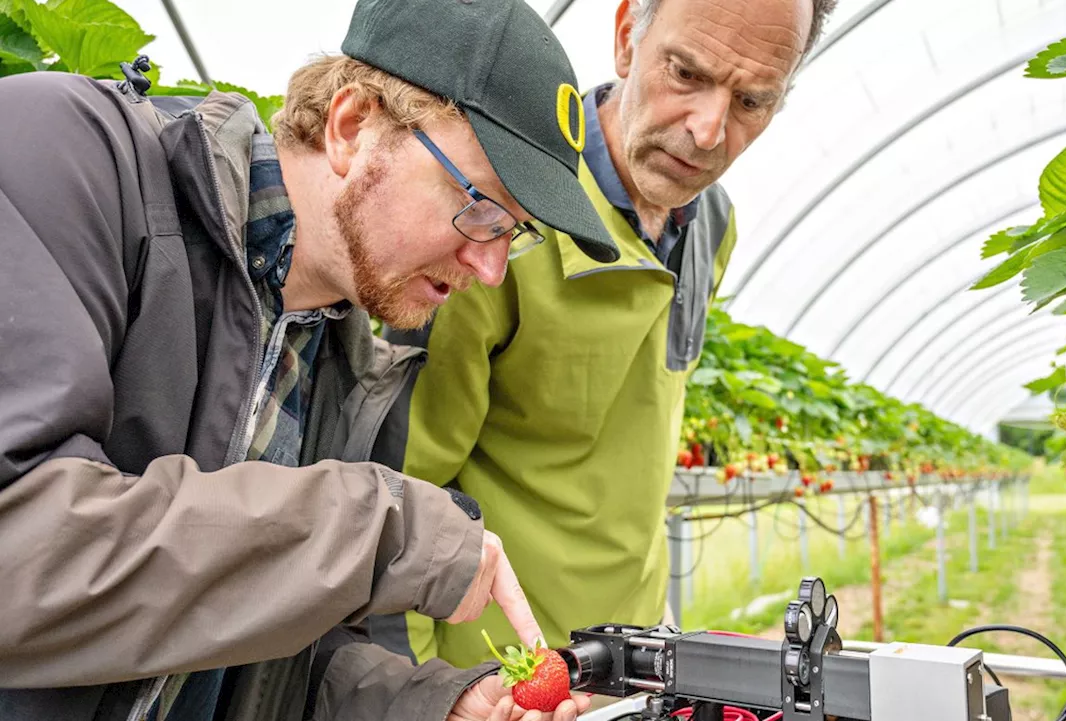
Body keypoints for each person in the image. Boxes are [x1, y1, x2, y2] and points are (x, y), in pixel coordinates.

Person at [0, 0, 618, 718]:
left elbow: (275, 651)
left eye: (513, 233)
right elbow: (25, 548)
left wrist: (429, 704)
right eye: (479, 206)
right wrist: (381, 528)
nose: (489, 267)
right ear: (352, 126)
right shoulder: (61, 156)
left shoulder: (356, 360)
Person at [374, 0, 838, 669]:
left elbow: (639, 433)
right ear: (626, 39)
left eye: (752, 100)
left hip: (639, 657)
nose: (709, 132)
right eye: (685, 73)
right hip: (507, 675)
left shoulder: (711, 221)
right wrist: (419, 696)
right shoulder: (503, 215)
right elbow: (400, 488)